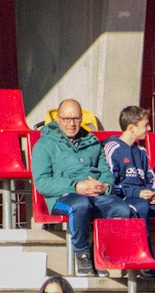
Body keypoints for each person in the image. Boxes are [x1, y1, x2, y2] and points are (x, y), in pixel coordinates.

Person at [31, 98, 133, 274]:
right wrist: (75, 187)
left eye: (76, 119)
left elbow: (106, 173)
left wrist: (104, 186)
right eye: (67, 119)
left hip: (95, 195)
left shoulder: (92, 143)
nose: (72, 124)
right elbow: (42, 183)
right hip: (63, 197)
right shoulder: (44, 145)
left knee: (122, 209)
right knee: (80, 205)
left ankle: (99, 252)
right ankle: (82, 253)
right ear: (58, 119)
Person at [103, 105, 155, 221]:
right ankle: (144, 239)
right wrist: (137, 193)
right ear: (131, 128)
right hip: (123, 199)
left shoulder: (141, 151)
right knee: (141, 206)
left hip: (145, 199)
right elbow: (110, 185)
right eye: (145, 125)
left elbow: (150, 178)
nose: (149, 128)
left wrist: (153, 194)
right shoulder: (113, 149)